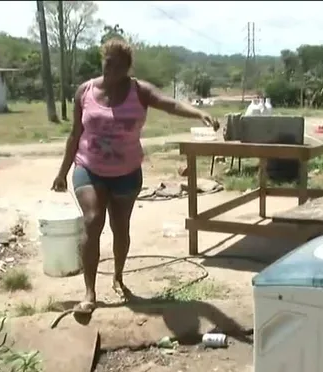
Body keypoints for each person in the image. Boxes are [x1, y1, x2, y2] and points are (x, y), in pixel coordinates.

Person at [51, 37, 219, 315]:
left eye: (117, 66)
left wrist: (198, 113)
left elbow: (170, 104)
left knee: (121, 228)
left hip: (126, 172)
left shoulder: (139, 91)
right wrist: (62, 172)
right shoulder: (85, 91)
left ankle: (118, 275)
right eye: (107, 64)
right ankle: (90, 293)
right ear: (102, 63)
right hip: (89, 168)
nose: (111, 71)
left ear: (127, 68)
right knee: (93, 221)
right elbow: (75, 135)